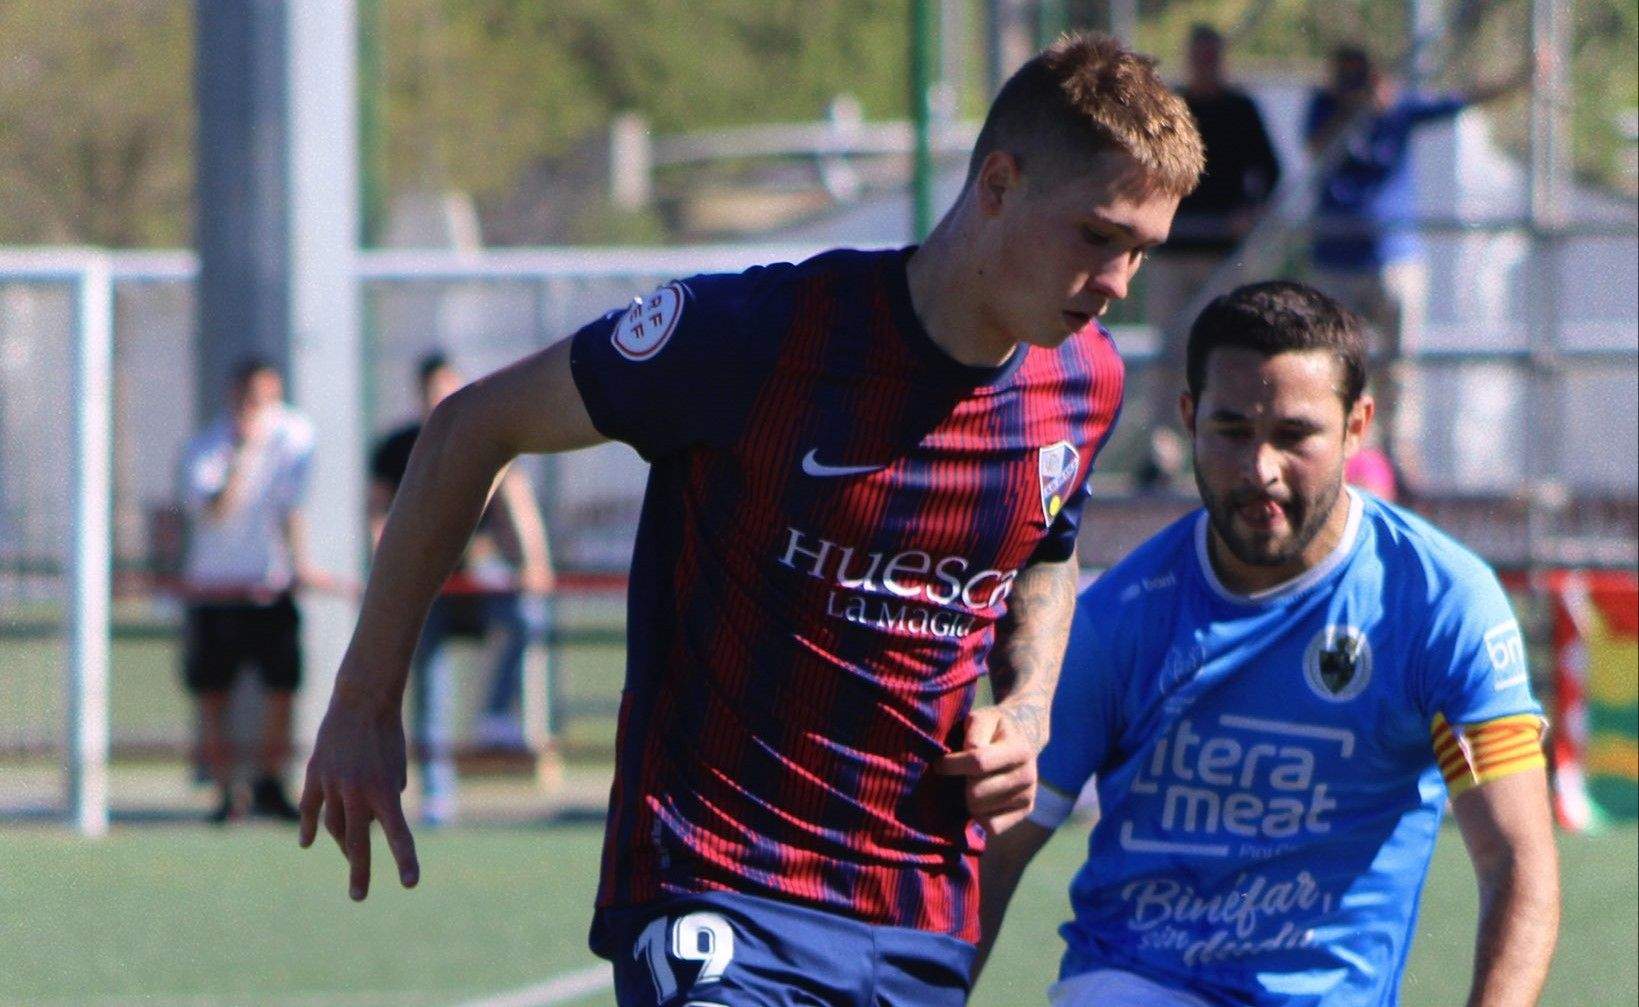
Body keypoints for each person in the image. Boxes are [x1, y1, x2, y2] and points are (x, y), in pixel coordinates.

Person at [299, 31, 1204, 1006]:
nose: (1118, 282)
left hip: (917, 907)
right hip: (717, 879)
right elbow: (470, 425)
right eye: (1098, 236)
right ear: (996, 184)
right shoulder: (757, 337)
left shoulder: (1084, 380)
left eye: (1141, 252)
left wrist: (1025, 707)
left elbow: (1046, 548)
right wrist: (363, 694)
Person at [975, 282, 1559, 1006]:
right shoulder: (1116, 617)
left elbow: (1516, 863)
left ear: (1356, 426)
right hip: (1133, 983)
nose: (1260, 468)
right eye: (1230, 429)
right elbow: (992, 855)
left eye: (1293, 434)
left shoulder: (1439, 603)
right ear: (1187, 418)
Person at [1304, 45, 1534, 478]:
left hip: (1394, 257)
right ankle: (1348, 448)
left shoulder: (1398, 109)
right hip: (1337, 259)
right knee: (1337, 357)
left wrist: (1519, 76)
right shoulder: (1324, 107)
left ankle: (1400, 448)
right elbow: (1315, 149)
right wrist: (1351, 110)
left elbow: (1457, 101)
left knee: (1401, 360)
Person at [368, 352, 555, 825]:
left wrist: (534, 562)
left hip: (479, 576)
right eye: (434, 390)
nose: (442, 398)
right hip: (430, 581)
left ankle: (496, 714)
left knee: (525, 617)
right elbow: (377, 515)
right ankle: (436, 790)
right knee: (429, 680)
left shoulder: (485, 435)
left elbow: (516, 500)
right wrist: (387, 568)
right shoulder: (397, 447)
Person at [178, 359, 318, 823]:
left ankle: (269, 783)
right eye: (250, 398)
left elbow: (291, 508)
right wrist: (242, 454)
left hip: (269, 589)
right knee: (214, 693)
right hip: (215, 591)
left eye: (266, 398)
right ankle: (226, 792)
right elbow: (213, 511)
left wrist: (300, 567)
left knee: (281, 688)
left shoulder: (295, 437)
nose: (258, 409)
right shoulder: (208, 447)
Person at [1144, 23, 1281, 435]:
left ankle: (1234, 432)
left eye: (1212, 57)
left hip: (1225, 254)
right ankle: (1163, 446)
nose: (1206, 66)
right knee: (1169, 352)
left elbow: (1270, 172)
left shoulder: (1241, 109)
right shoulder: (1172, 108)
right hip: (1174, 250)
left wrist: (1248, 213)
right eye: (1199, 57)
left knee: (1232, 346)